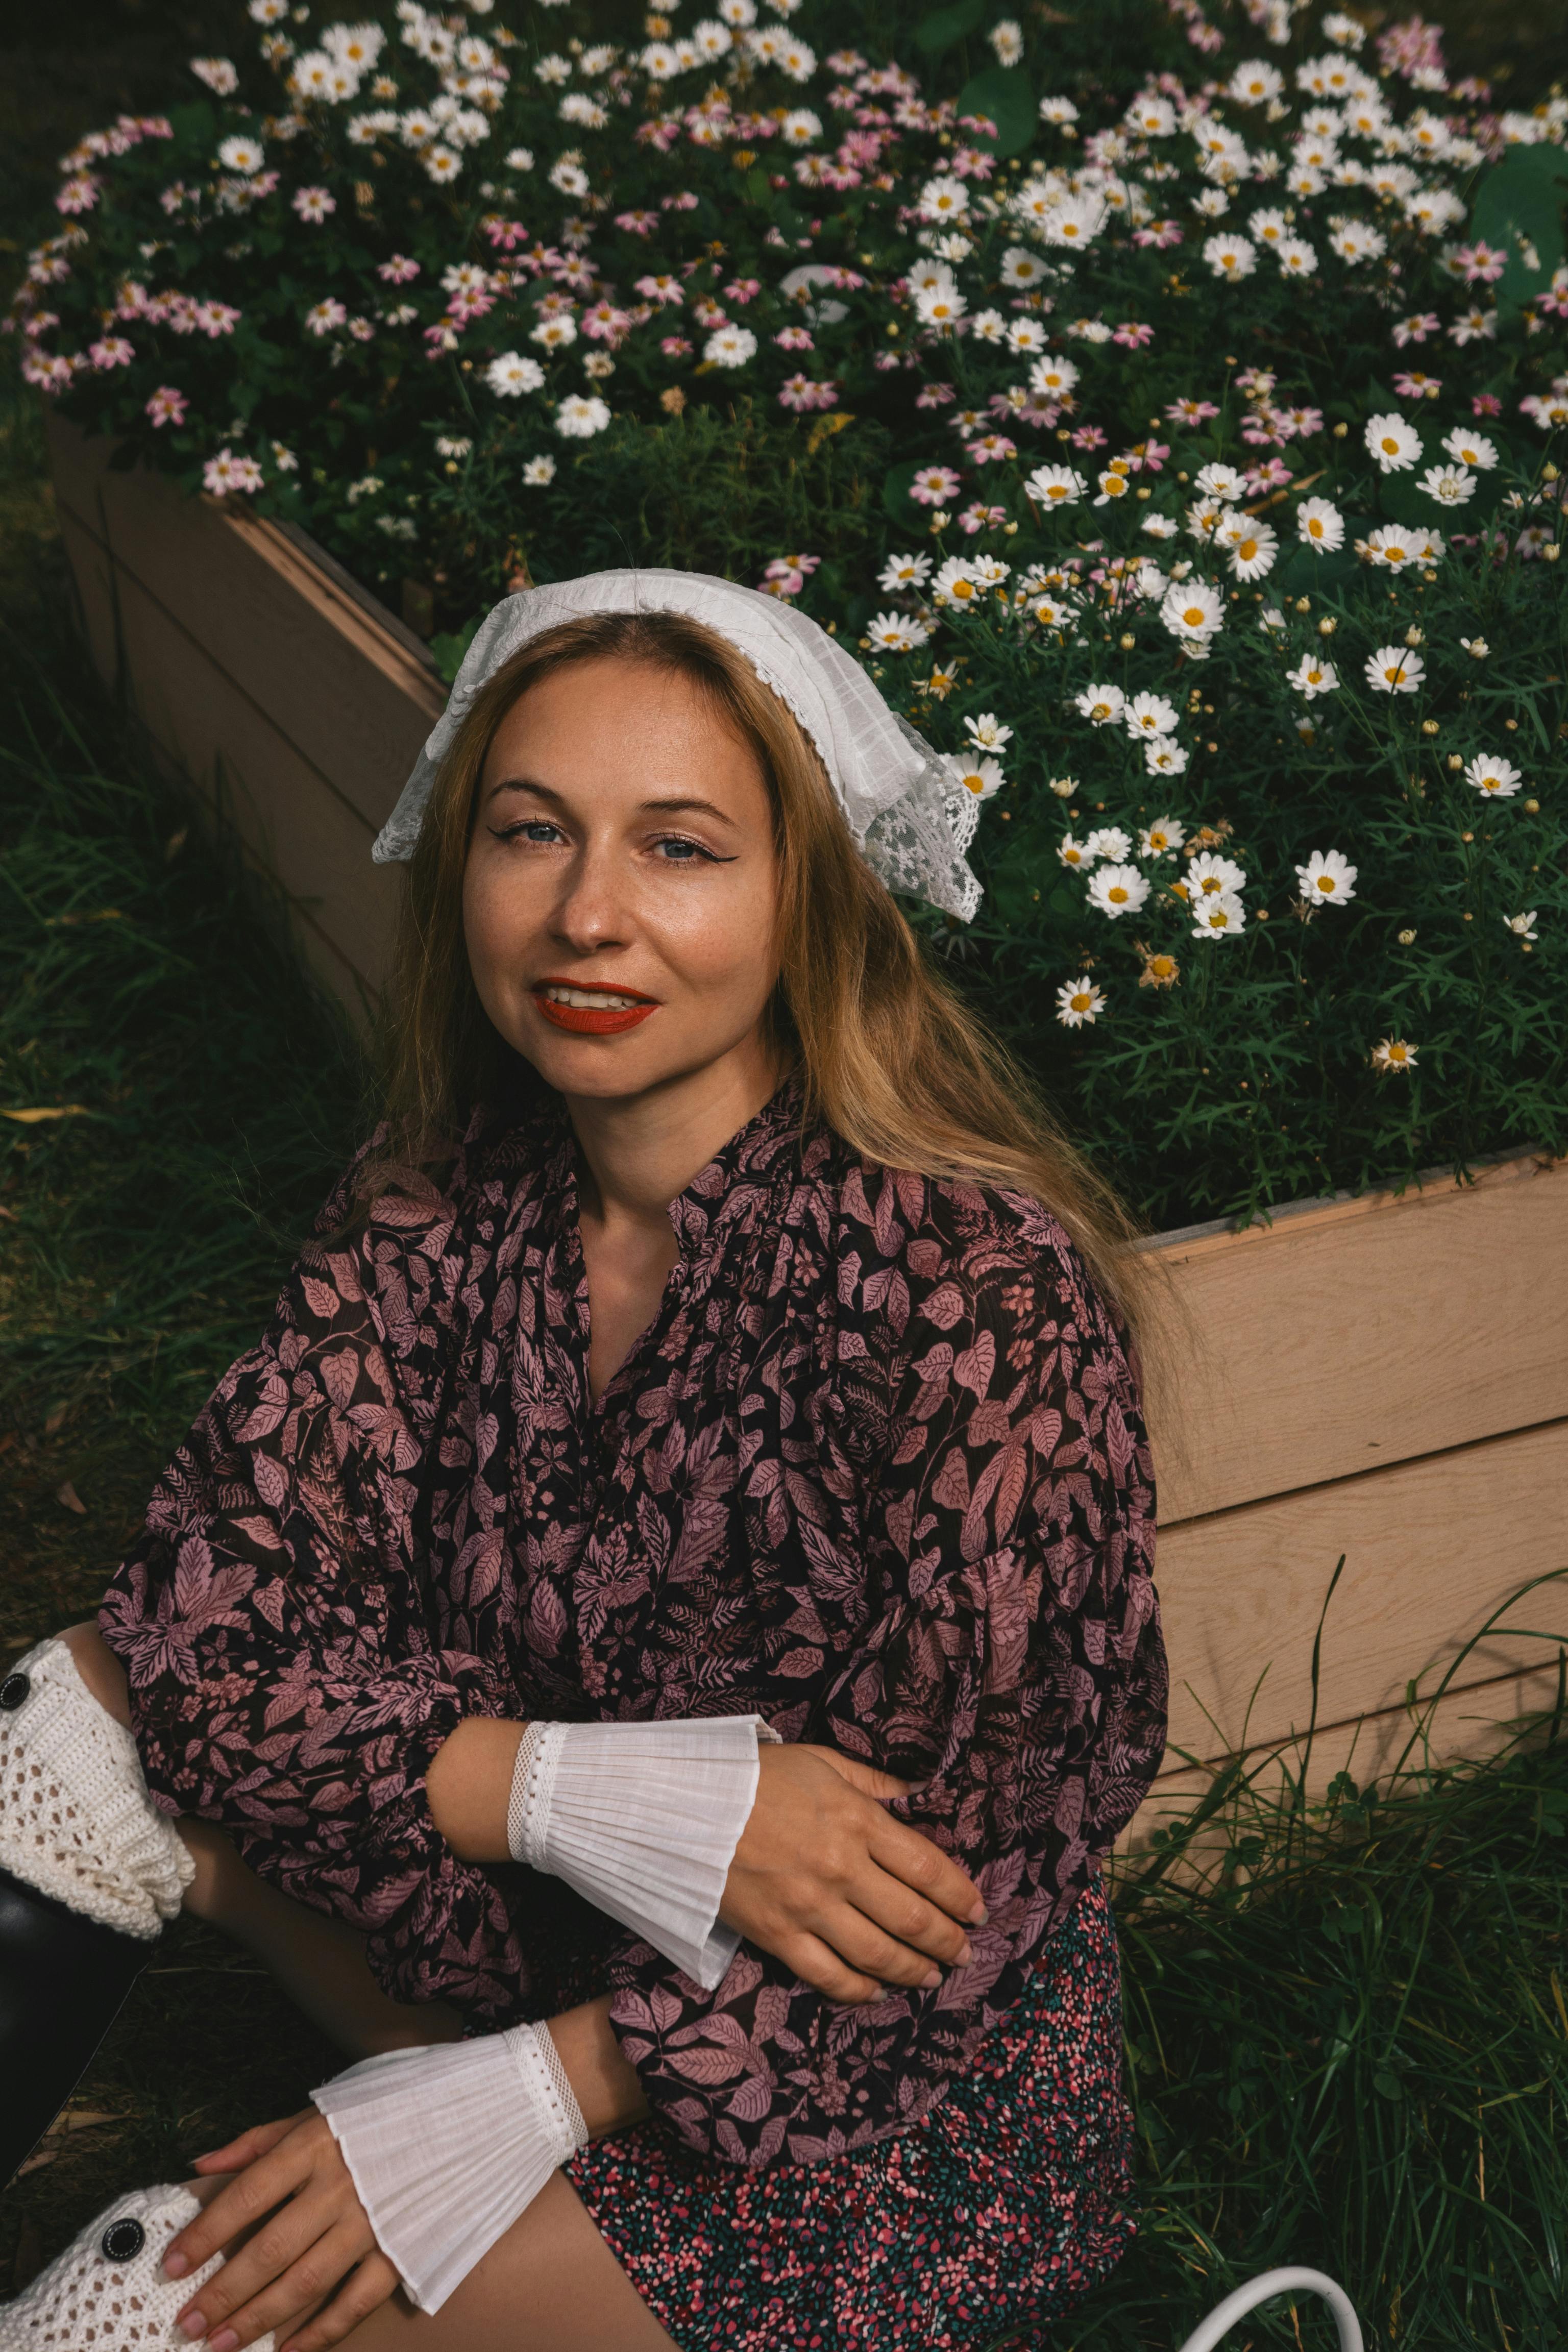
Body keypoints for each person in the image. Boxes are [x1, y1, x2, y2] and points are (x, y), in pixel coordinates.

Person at [0, 571, 1166, 2352]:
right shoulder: (440, 1193)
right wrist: (577, 1796)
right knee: (73, 1725)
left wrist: (536, 2094)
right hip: (513, 1936)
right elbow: (196, 1631)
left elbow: (947, 1907)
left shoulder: (976, 1298)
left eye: (680, 848)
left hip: (869, 2100)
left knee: (147, 2300)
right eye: (533, 831)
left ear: (806, 895)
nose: (588, 915)